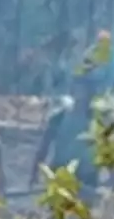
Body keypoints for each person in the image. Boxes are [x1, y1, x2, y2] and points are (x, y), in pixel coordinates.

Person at [31, 71, 102, 209]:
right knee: (58, 216)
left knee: (83, 215)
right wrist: (34, 171)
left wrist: (113, 176)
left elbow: (105, 148)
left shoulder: (95, 120)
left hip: (86, 175)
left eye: (86, 90)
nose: (82, 94)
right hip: (61, 172)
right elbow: (44, 145)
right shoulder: (59, 118)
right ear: (73, 91)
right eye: (78, 89)